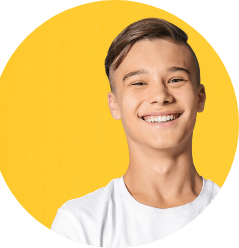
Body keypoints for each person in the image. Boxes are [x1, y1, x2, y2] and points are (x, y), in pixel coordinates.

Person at [51, 18, 221, 247]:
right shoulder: (80, 223)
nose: (160, 95)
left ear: (199, 97)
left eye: (176, 79)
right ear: (114, 105)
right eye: (139, 83)